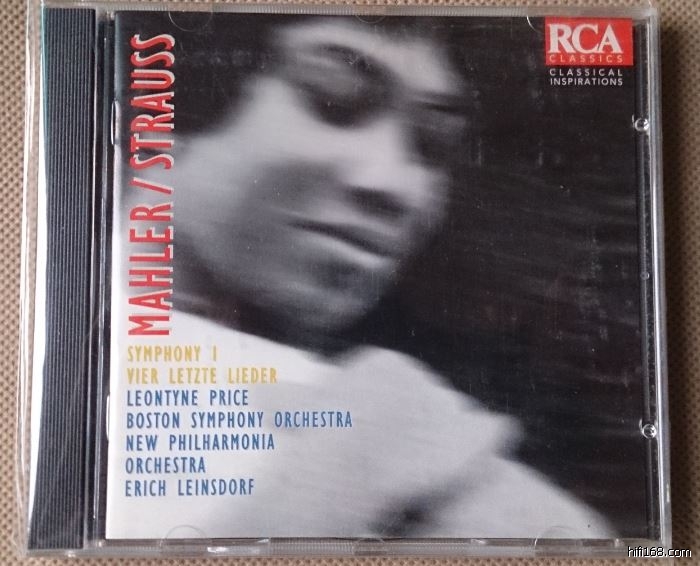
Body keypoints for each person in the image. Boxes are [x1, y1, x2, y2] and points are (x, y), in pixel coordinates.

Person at [112, 16, 613, 540]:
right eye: (332, 97)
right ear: (172, 105)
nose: (393, 184)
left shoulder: (468, 493)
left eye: (434, 144)